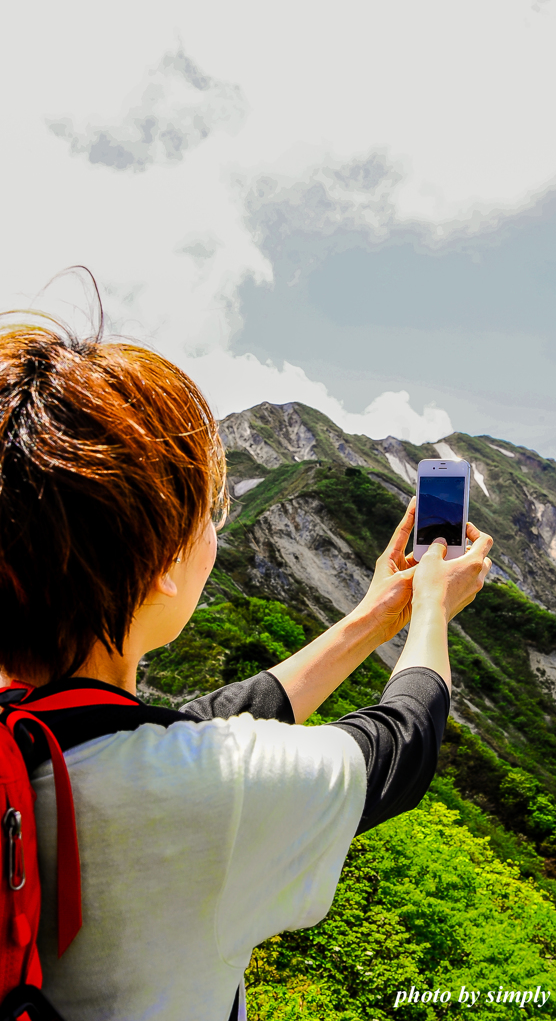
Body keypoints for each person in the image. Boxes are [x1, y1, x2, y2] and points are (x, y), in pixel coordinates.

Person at [0, 317, 493, 1021]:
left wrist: (372, 618)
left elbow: (199, 723)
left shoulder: (25, 738)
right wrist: (429, 617)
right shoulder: (205, 796)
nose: (213, 536)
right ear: (164, 563)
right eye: (205, 516)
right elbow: (400, 747)